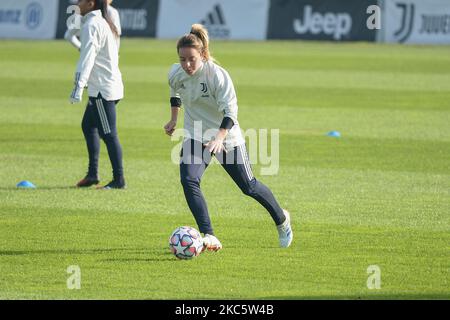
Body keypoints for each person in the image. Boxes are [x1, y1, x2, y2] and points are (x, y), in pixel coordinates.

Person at [164, 24, 293, 251]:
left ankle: (282, 220)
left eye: (191, 59)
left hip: (227, 136)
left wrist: (219, 138)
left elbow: (231, 113)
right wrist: (174, 119)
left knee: (249, 186)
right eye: (182, 59)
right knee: (189, 180)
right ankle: (209, 235)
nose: (186, 65)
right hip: (195, 134)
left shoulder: (217, 76)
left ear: (202, 54)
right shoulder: (176, 73)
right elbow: (175, 93)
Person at [70, 0, 125, 189]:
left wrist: (78, 87)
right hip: (108, 86)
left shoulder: (92, 24)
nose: (77, 3)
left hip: (102, 91)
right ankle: (92, 174)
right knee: (88, 125)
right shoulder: (101, 21)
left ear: (90, 3)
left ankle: (119, 181)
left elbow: (87, 58)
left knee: (109, 134)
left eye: (80, 0)